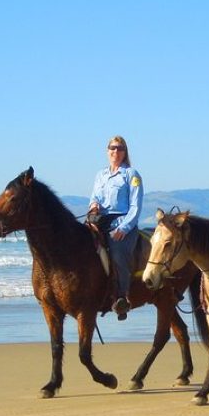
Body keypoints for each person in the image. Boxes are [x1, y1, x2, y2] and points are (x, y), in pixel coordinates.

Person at [88, 135, 144, 320]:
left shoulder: (132, 175)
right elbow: (94, 197)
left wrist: (124, 228)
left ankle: (122, 297)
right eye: (113, 148)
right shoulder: (100, 175)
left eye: (120, 148)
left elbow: (136, 207)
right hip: (100, 220)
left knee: (118, 251)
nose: (116, 151)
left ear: (125, 152)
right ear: (107, 150)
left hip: (122, 222)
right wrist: (93, 206)